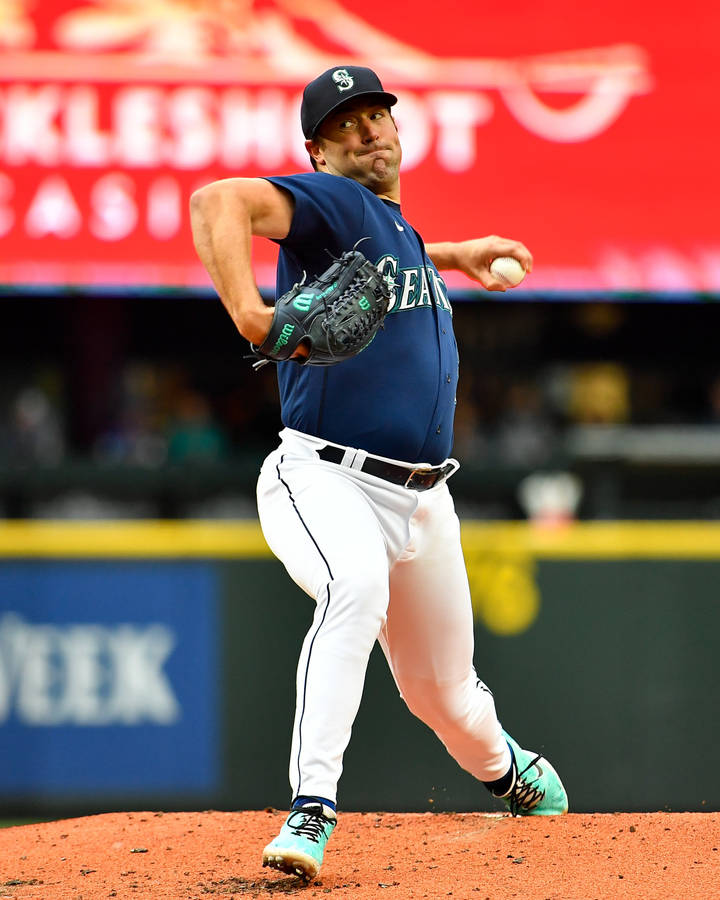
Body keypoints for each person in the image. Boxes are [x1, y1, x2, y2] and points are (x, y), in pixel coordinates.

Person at [190, 65, 568, 881]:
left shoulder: (391, 233)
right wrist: (254, 316)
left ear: (398, 130)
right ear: (317, 153)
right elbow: (216, 201)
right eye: (344, 124)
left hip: (424, 500)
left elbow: (399, 253)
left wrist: (454, 255)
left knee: (447, 696)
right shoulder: (337, 206)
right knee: (353, 587)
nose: (367, 131)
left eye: (376, 115)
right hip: (325, 478)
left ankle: (512, 772)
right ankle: (311, 811)